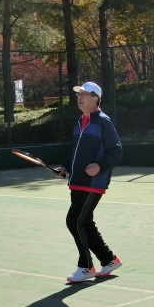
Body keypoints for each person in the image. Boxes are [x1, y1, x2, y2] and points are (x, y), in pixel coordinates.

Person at [55, 82, 123, 283]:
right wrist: (65, 167)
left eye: (84, 94)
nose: (80, 97)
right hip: (76, 180)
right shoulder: (80, 121)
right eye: (79, 94)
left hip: (93, 182)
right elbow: (75, 152)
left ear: (95, 98)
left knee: (74, 221)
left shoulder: (103, 122)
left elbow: (116, 151)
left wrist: (99, 166)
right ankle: (109, 259)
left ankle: (86, 266)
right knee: (84, 222)